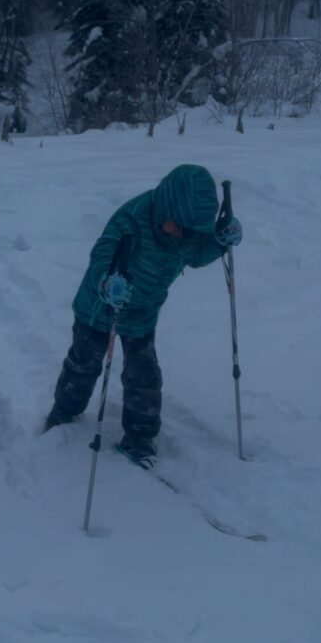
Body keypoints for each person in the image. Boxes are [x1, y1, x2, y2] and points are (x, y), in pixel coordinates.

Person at [44, 164, 243, 468]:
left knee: (144, 376)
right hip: (101, 306)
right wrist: (106, 282)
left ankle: (139, 436)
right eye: (176, 225)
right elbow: (101, 255)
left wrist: (219, 242)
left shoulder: (186, 230)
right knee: (83, 365)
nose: (180, 234)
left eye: (188, 230)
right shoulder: (131, 220)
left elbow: (194, 256)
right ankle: (64, 412)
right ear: (165, 206)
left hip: (143, 312)